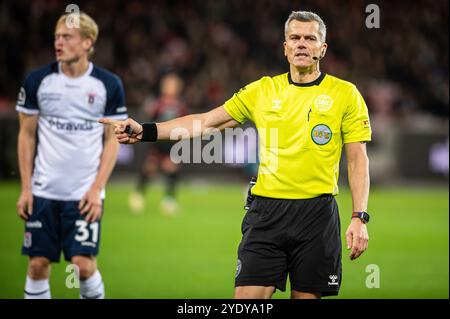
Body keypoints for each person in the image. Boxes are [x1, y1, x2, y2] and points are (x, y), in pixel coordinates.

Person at [100, 10, 371, 299]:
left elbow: (357, 160)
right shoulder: (262, 90)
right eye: (294, 37)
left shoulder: (346, 94)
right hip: (267, 213)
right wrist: (146, 131)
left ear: (322, 48)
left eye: (310, 38)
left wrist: (359, 216)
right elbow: (206, 121)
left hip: (317, 215)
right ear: (285, 47)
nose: (302, 43)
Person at [16, 11, 127, 299]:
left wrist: (97, 189)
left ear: (88, 42)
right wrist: (26, 188)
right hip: (43, 191)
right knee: (38, 264)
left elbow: (112, 140)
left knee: (83, 266)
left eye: (67, 37)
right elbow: (26, 135)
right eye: (56, 37)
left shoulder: (108, 84)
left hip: (84, 193)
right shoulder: (37, 81)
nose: (59, 43)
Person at [128, 73, 187, 214]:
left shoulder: (180, 105)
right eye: (168, 84)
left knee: (172, 169)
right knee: (150, 168)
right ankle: (138, 195)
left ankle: (169, 201)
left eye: (173, 84)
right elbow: (147, 117)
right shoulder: (157, 102)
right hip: (157, 142)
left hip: (171, 144)